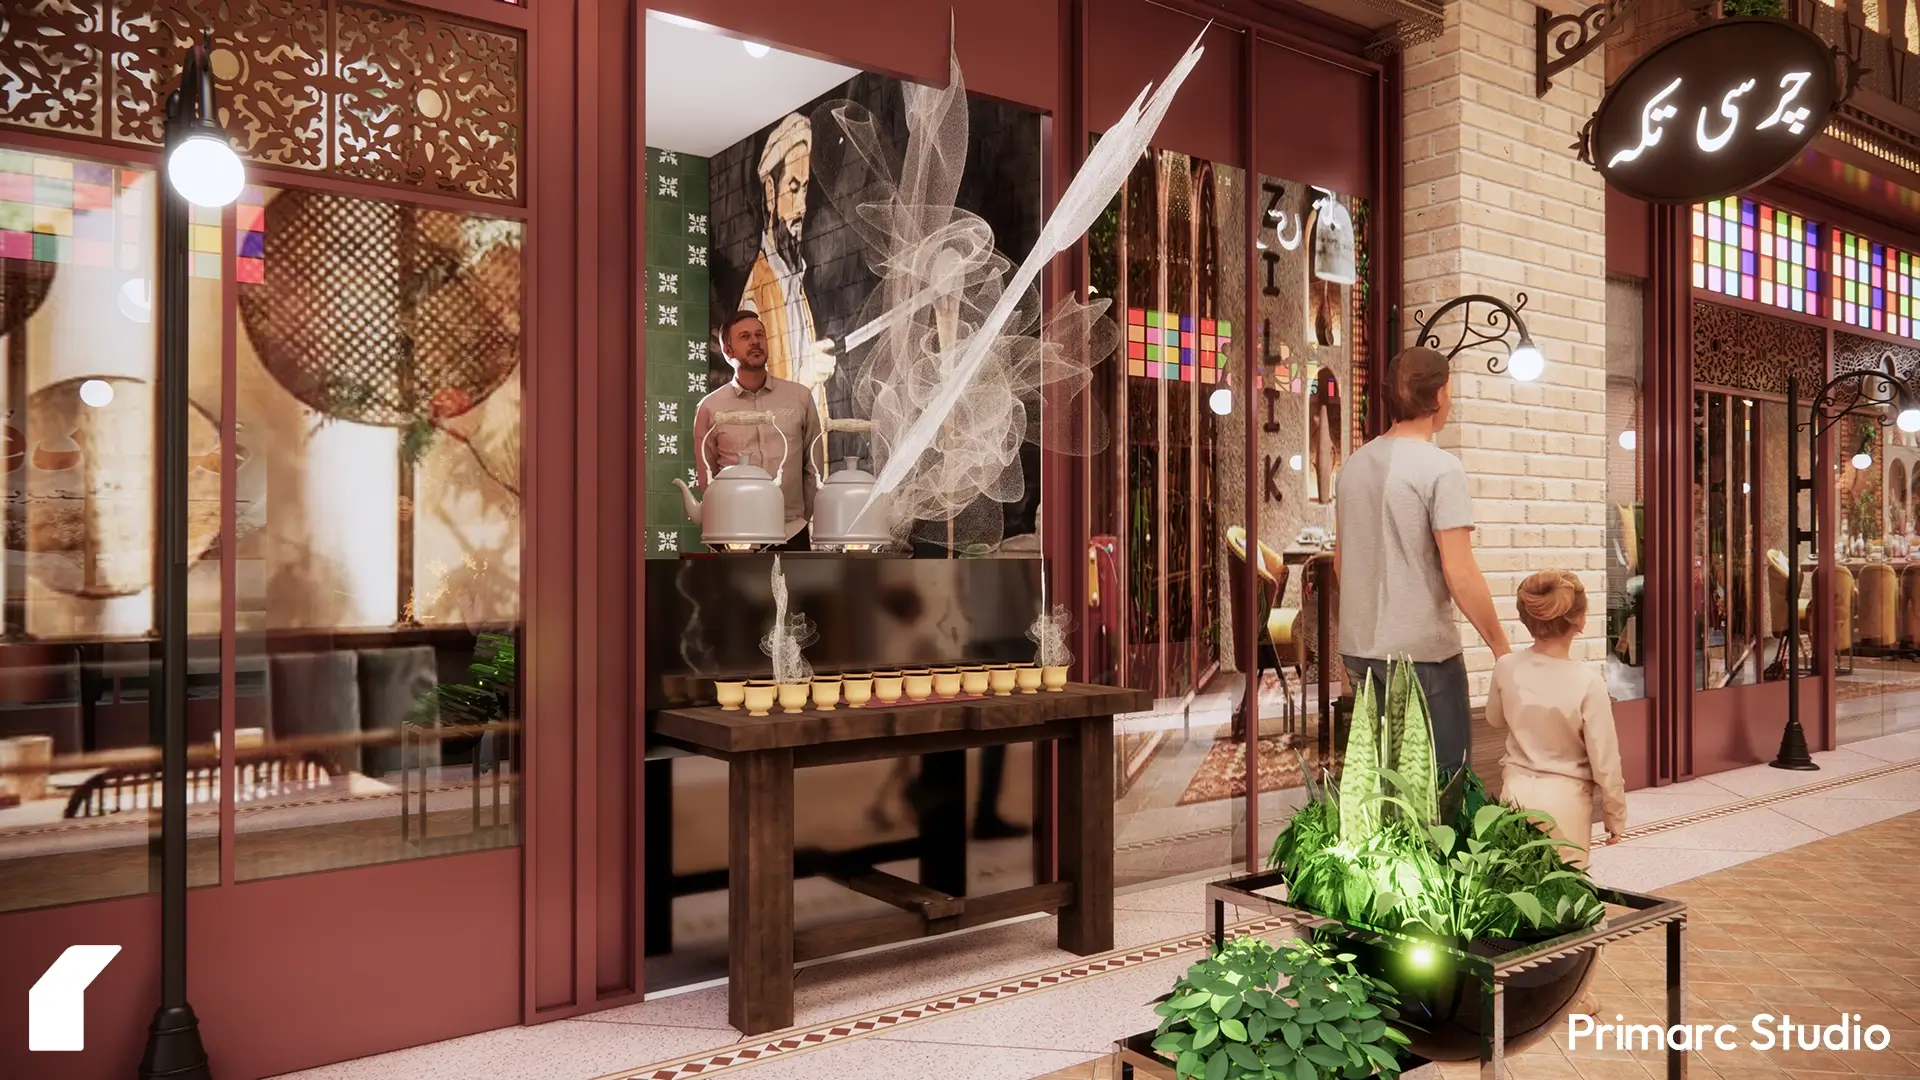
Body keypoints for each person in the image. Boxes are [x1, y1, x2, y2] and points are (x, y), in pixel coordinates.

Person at [1334, 346, 1508, 770]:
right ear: (1438, 395)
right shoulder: (1440, 468)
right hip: (1423, 660)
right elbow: (1460, 571)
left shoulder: (1353, 466)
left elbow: (1342, 564)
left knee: (1385, 787)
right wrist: (1503, 650)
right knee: (1442, 791)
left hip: (1360, 652)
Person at [1485, 570, 1628, 870]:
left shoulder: (1506, 667)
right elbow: (1605, 763)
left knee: (1516, 893)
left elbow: (1494, 719)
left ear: (1526, 619)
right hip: (1566, 806)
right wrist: (1615, 814)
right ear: (1580, 621)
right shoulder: (1588, 682)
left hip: (1514, 796)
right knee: (1563, 898)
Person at [691, 311, 823, 550]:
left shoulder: (799, 397)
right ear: (728, 351)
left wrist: (801, 518)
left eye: (759, 335)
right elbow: (707, 478)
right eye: (745, 336)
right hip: (733, 534)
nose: (755, 341)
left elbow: (813, 466)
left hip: (791, 532)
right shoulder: (710, 408)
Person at [740, 112, 839, 425]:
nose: (801, 207)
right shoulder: (755, 301)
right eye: (792, 188)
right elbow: (757, 419)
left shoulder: (793, 280)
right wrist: (807, 379)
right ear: (770, 193)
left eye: (805, 189)